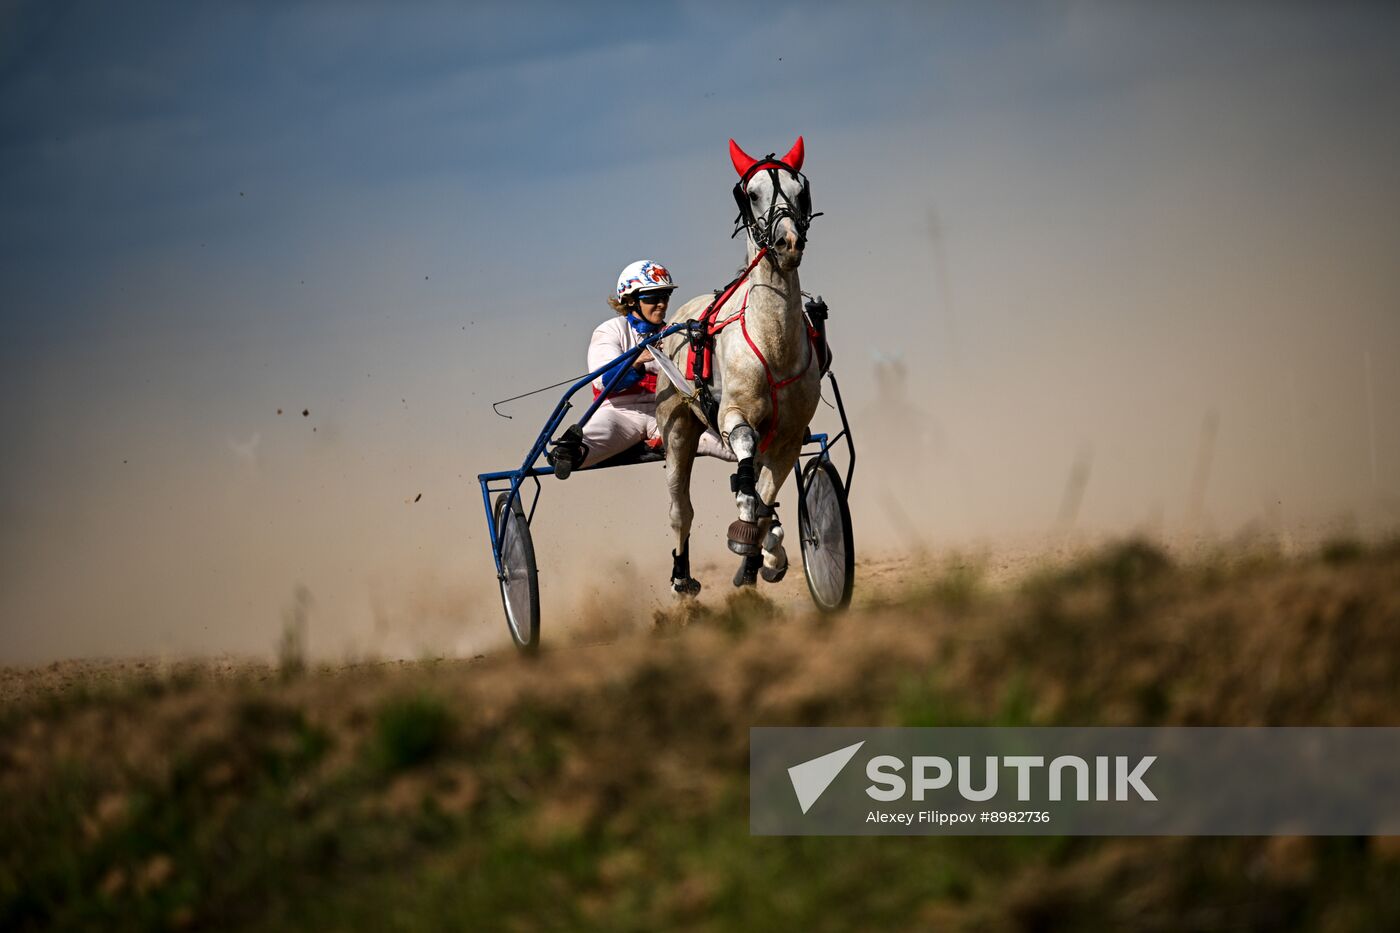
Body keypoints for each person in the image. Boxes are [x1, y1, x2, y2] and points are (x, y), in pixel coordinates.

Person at [548, 259, 733, 476]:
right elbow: (603, 380)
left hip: (667, 411)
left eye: (665, 296)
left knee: (732, 446)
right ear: (631, 301)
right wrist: (636, 362)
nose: (662, 304)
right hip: (619, 413)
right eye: (653, 298)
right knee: (576, 455)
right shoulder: (610, 331)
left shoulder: (676, 332)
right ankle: (568, 451)